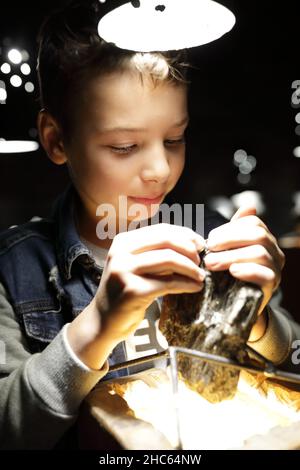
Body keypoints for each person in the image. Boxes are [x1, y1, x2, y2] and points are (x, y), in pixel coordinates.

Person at [0, 0, 299, 450]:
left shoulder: (211, 234)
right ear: (56, 139)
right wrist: (97, 324)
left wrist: (257, 317)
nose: (160, 168)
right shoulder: (15, 266)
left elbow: (292, 362)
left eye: (175, 138)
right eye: (124, 146)